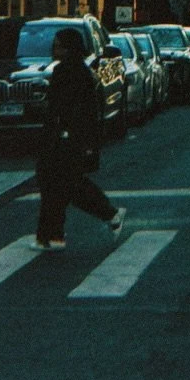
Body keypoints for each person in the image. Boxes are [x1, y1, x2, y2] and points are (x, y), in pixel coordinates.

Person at [35, 28, 126, 250]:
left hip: (67, 138)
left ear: (68, 48)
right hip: (69, 137)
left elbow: (69, 109)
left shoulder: (69, 73)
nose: (53, 49)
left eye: (58, 45)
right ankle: (50, 236)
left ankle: (108, 214)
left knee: (64, 185)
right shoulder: (77, 71)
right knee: (61, 185)